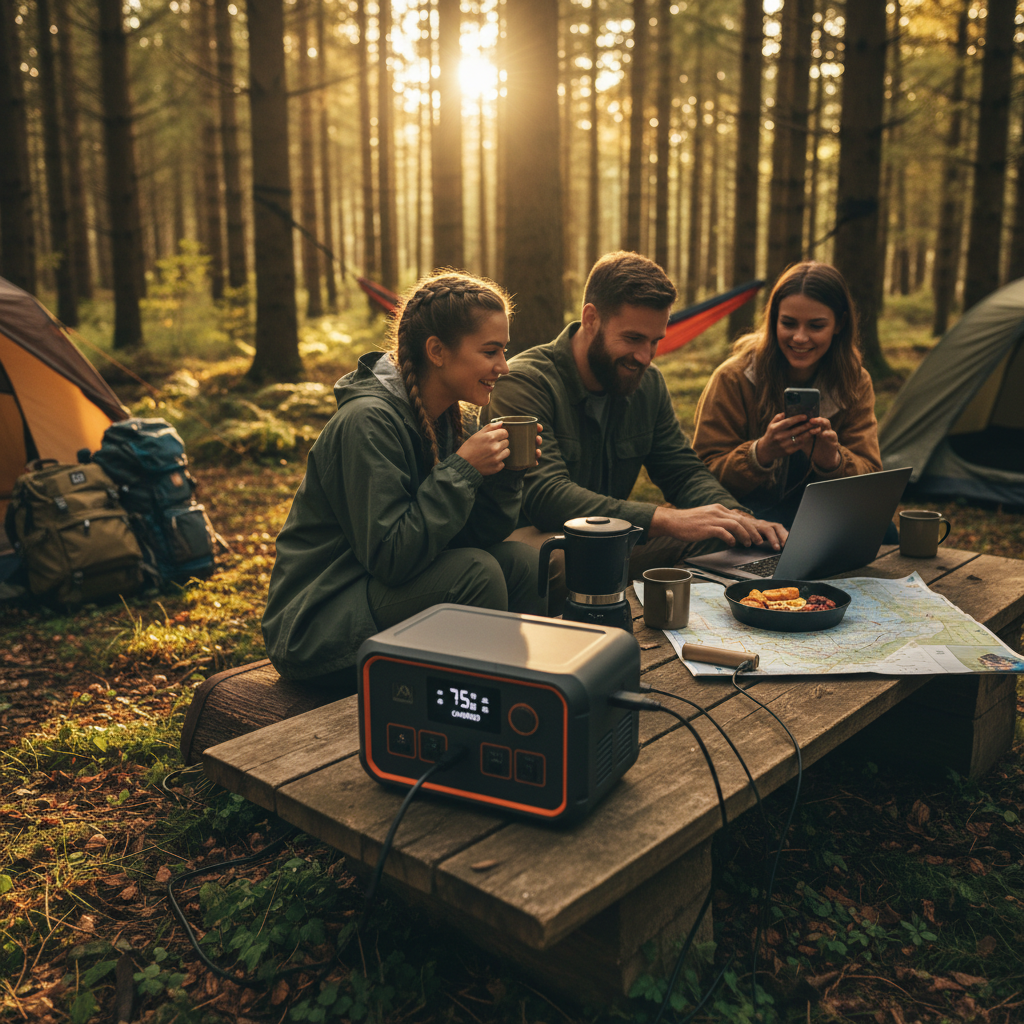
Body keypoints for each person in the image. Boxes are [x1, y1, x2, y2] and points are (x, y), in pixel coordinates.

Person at [262, 272, 543, 693]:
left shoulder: (455, 417)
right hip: (318, 623)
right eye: (490, 351)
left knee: (521, 563)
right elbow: (391, 556)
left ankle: (524, 693)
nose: (503, 366)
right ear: (437, 351)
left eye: (504, 351)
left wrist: (504, 477)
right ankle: (473, 708)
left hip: (381, 594)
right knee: (477, 574)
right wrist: (463, 471)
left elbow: (472, 536)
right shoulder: (366, 423)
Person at [482, 251, 787, 610]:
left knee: (720, 538)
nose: (646, 356)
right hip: (535, 538)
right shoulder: (523, 382)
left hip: (616, 536)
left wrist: (739, 520)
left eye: (655, 341)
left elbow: (683, 472)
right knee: (569, 559)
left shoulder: (647, 384)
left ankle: (681, 638)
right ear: (591, 319)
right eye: (633, 339)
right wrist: (665, 519)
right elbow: (547, 496)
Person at [692, 261, 884, 529]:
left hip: (821, 513)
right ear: (773, 320)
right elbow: (699, 476)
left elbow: (873, 479)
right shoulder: (734, 377)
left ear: (839, 324)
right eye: (788, 323)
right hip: (746, 512)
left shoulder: (854, 382)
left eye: (816, 326)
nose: (800, 338)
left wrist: (834, 460)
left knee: (885, 531)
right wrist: (761, 453)